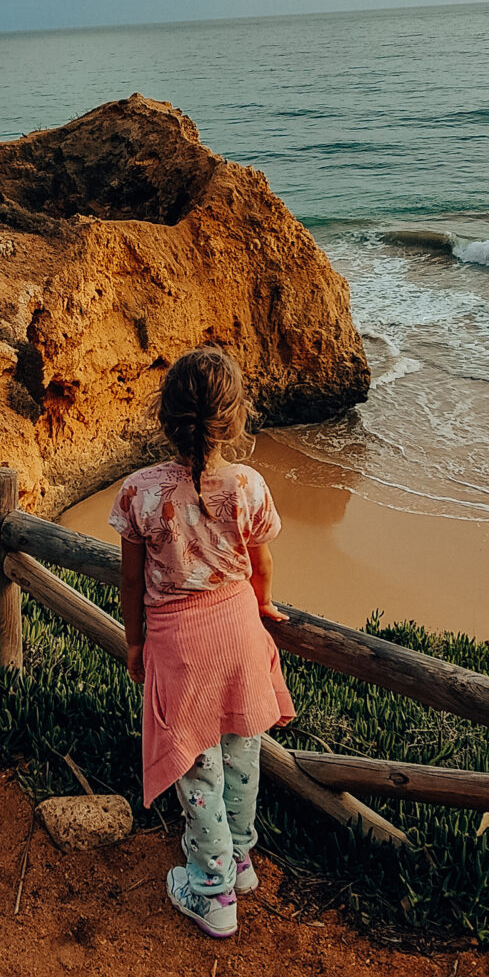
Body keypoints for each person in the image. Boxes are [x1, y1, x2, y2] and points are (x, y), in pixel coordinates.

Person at [110, 346, 295, 939]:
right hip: (239, 628)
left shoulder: (138, 492)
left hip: (179, 640)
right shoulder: (247, 484)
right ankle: (239, 861)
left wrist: (135, 645)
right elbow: (261, 567)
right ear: (235, 418)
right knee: (243, 752)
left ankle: (212, 893)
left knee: (195, 766)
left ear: (166, 418)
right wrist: (262, 605)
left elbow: (133, 582)